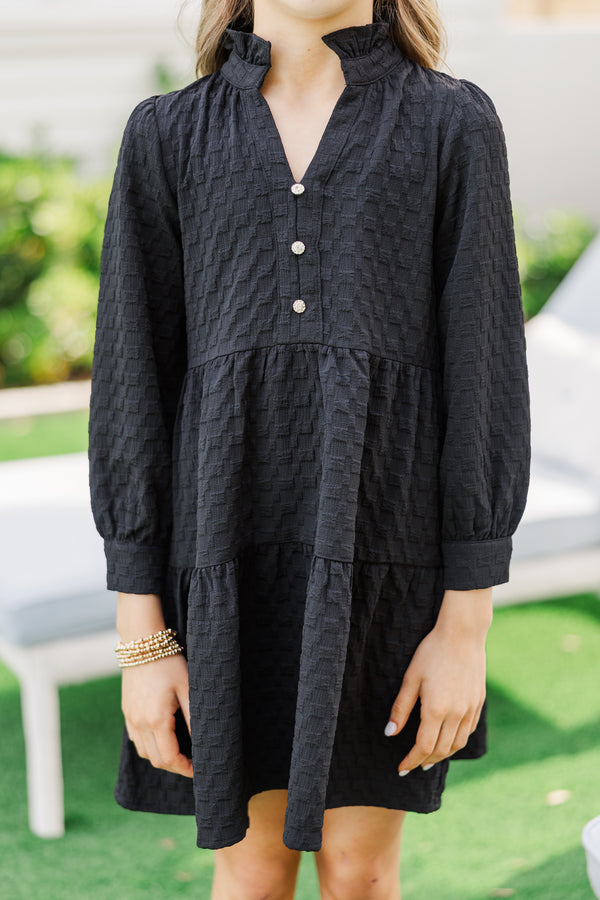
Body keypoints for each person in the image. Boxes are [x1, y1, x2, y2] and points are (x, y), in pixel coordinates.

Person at [87, 0, 531, 896]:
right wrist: (145, 643)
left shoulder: (452, 123)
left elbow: (484, 380)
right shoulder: (167, 134)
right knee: (251, 875)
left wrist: (465, 630)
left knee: (359, 873)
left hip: (387, 571)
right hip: (221, 567)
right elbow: (131, 387)